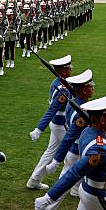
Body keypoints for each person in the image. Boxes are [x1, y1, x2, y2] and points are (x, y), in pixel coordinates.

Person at [32, 70, 106, 210]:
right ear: (83, 90)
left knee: (70, 189)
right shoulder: (80, 111)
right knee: (94, 190)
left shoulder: (75, 104)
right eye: (90, 86)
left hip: (76, 153)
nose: (93, 88)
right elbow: (69, 136)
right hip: (78, 154)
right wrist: (56, 160)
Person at [27, 55, 72, 192]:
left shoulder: (57, 82)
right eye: (68, 69)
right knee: (71, 154)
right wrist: (39, 129)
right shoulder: (62, 89)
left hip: (57, 124)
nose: (71, 71)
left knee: (50, 152)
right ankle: (66, 186)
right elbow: (52, 110)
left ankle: (34, 180)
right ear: (63, 71)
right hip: (61, 124)